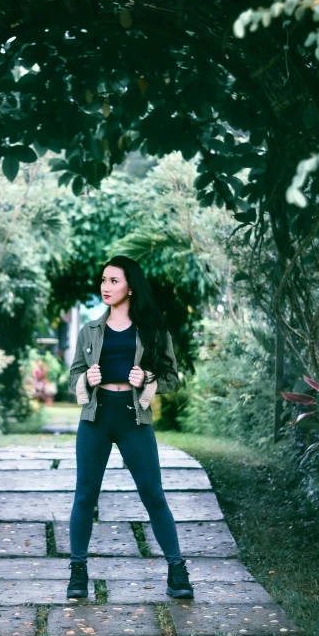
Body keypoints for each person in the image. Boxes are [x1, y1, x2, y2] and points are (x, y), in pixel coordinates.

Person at [66, 254, 194, 600]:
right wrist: (86, 378)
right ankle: (77, 571)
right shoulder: (90, 330)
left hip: (133, 418)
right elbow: (72, 377)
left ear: (130, 287)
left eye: (113, 281)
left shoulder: (152, 330)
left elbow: (171, 377)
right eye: (104, 280)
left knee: (153, 494)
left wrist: (148, 377)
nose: (105, 287)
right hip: (97, 417)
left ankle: (177, 570)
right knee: (84, 496)